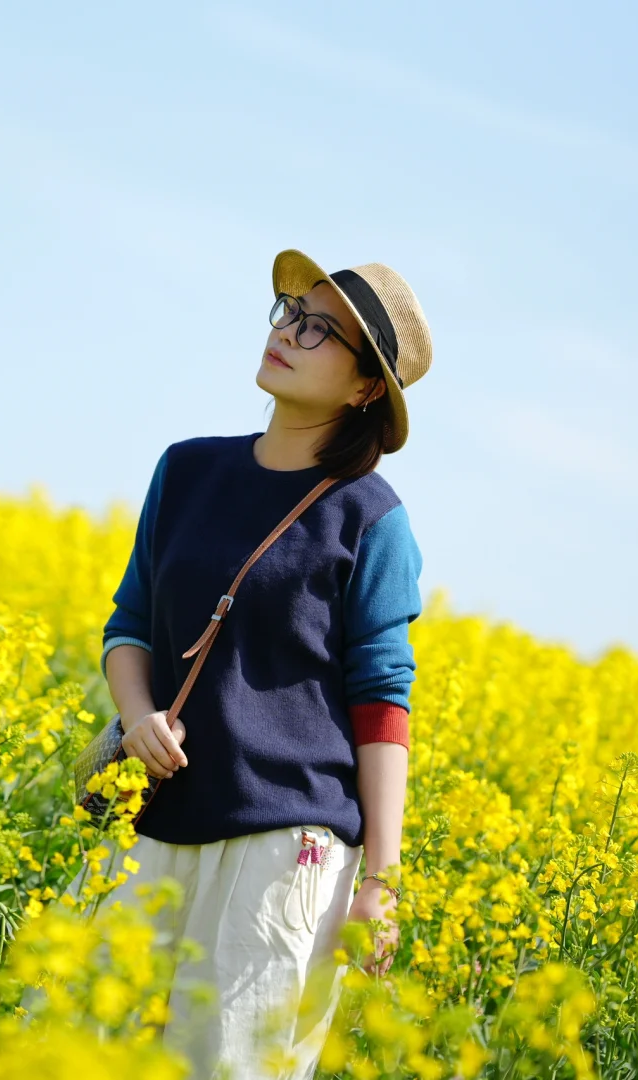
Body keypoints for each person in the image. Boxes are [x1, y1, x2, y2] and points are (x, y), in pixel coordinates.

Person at [93, 248, 430, 1080]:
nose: (288, 333)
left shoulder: (369, 518)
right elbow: (129, 623)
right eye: (290, 313)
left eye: (320, 331)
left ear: (364, 389)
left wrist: (381, 886)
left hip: (283, 851)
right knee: (73, 1045)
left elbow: (381, 705)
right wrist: (136, 719)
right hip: (151, 816)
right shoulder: (186, 469)